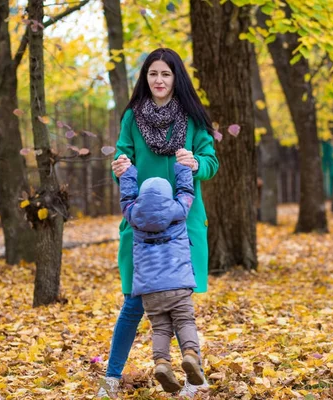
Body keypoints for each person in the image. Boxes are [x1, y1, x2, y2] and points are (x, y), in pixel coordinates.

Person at [98, 48, 219, 399]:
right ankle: (111, 379)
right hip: (142, 226)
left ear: (176, 77)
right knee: (133, 301)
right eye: (153, 74)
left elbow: (211, 161)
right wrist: (119, 167)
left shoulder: (194, 118)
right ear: (145, 78)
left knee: (182, 302)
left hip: (183, 221)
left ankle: (196, 382)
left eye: (166, 74)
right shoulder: (132, 117)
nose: (159, 80)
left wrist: (196, 163)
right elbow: (123, 158)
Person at [119, 162, 204, 393]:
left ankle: (162, 363)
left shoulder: (134, 215)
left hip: (150, 289)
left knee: (160, 329)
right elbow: (186, 192)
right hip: (178, 284)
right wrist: (183, 168)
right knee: (185, 321)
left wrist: (128, 173)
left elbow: (126, 197)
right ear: (169, 197)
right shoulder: (178, 211)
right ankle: (190, 355)